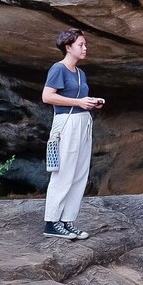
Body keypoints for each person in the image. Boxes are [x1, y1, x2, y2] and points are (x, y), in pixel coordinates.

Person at [42, 28, 104, 239]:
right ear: (68, 47)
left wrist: (90, 103)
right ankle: (52, 222)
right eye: (81, 45)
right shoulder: (58, 69)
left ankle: (67, 220)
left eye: (85, 45)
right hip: (66, 122)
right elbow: (47, 96)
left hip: (82, 121)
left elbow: (78, 99)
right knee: (64, 172)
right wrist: (78, 102)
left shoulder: (80, 73)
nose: (85, 48)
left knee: (79, 172)